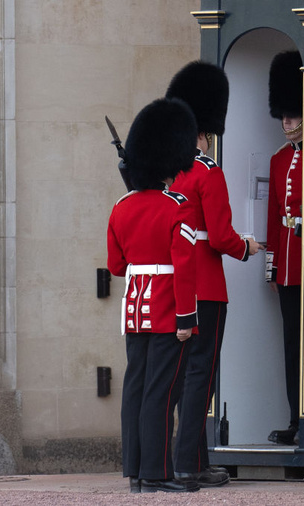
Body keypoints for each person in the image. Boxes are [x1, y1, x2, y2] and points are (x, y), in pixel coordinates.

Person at [166, 61, 265, 486]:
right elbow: (221, 237)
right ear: (204, 131)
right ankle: (188, 463)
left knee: (184, 376)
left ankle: (193, 461)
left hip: (174, 287)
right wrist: (248, 246)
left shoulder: (169, 173)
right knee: (201, 379)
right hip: (206, 287)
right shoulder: (208, 172)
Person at [107, 98, 200, 494]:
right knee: (160, 393)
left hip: (134, 312)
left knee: (135, 389)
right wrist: (186, 320)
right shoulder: (175, 207)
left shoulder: (121, 208)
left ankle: (135, 472)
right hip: (166, 311)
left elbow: (116, 266)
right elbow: (185, 268)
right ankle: (157, 473)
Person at [265, 50, 304, 446]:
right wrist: (272, 269)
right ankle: (296, 418)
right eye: (284, 115)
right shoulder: (279, 161)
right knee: (291, 343)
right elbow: (274, 219)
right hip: (289, 267)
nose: (287, 120)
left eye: (292, 113)